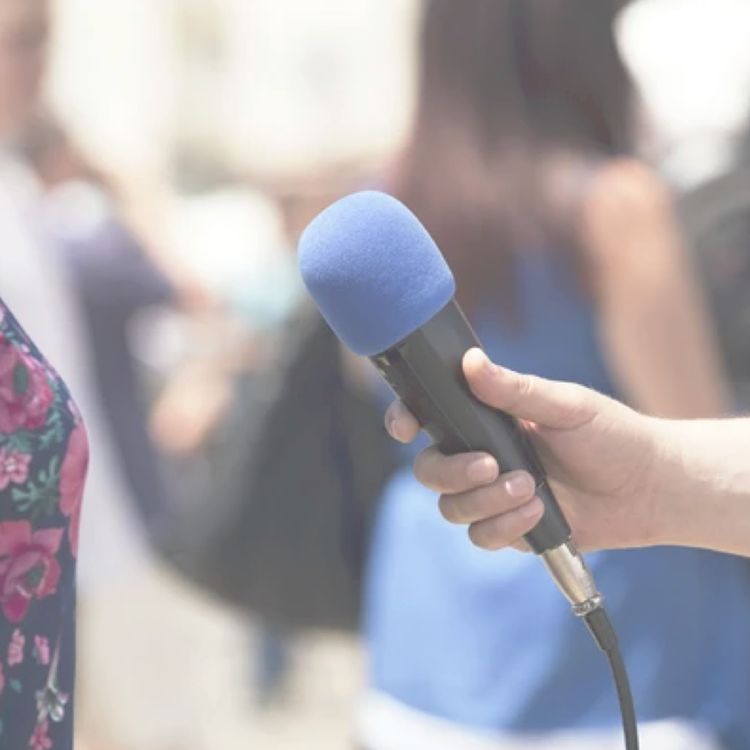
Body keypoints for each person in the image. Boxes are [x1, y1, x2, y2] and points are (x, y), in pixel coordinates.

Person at [358, 1, 750, 749]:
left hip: (428, 619)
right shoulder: (616, 202)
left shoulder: (386, 206)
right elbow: (690, 423)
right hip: (616, 625)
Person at [385, 347, 750, 560]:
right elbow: (688, 402)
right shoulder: (616, 215)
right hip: (625, 569)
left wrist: (650, 479)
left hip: (426, 565)